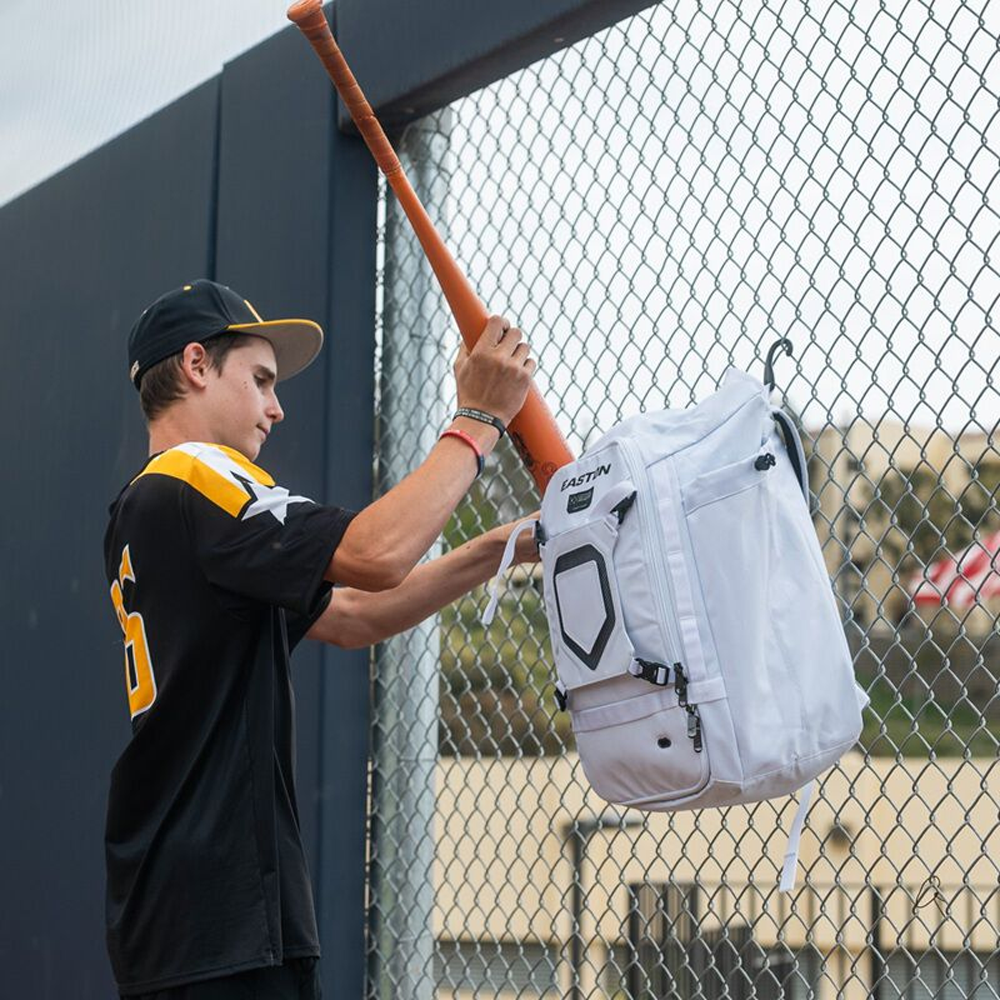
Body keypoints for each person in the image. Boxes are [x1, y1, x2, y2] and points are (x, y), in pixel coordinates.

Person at [104, 279, 541, 999]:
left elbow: (355, 615)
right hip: (219, 911)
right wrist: (478, 419)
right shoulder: (197, 475)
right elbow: (376, 554)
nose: (277, 407)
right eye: (261, 380)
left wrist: (499, 548)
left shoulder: (146, 507)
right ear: (196, 365)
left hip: (182, 909)